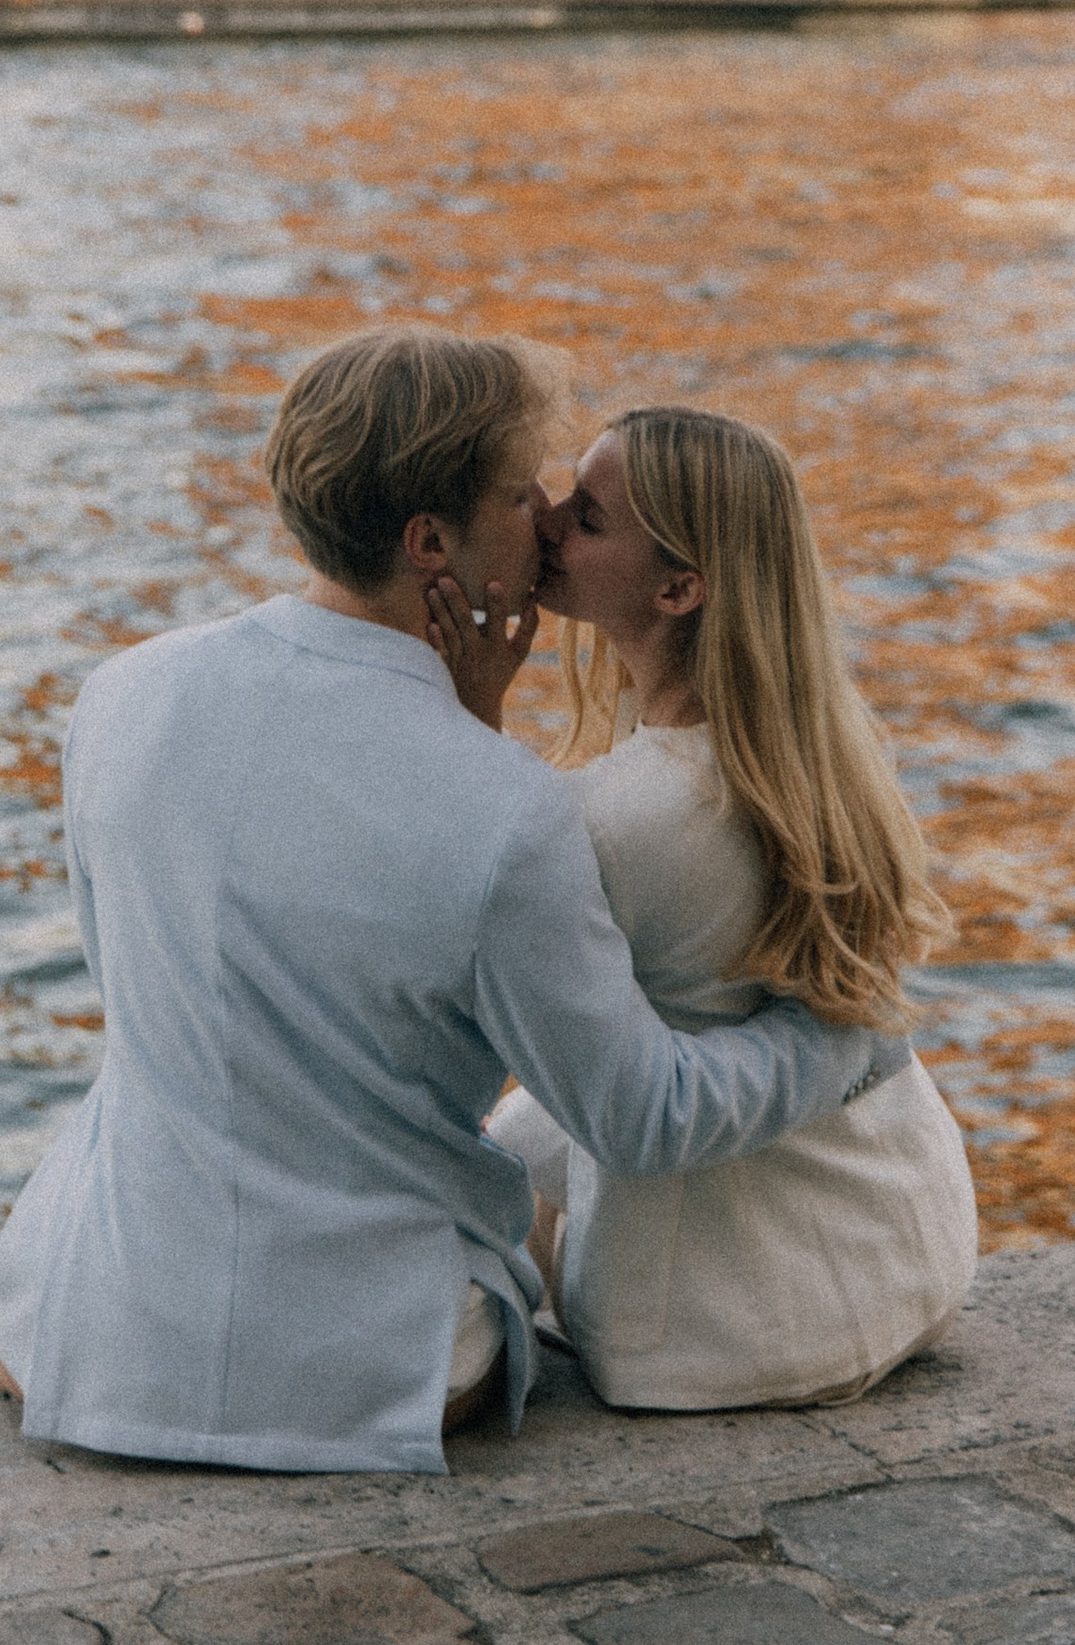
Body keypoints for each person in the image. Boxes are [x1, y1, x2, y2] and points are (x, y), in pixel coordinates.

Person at [0, 326, 907, 1472]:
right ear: (430, 543)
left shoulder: (120, 693)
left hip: (102, 1307)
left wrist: (460, 732)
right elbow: (640, 1117)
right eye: (520, 493)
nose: (547, 515)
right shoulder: (507, 811)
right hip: (360, 1361)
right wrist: (840, 1039)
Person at [430, 406, 978, 1413]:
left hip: (718, 1327)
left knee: (446, 1219)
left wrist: (467, 720)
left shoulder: (619, 816)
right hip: (908, 1249)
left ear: (679, 588)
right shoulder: (809, 751)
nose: (546, 521)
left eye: (587, 519)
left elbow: (459, 936)